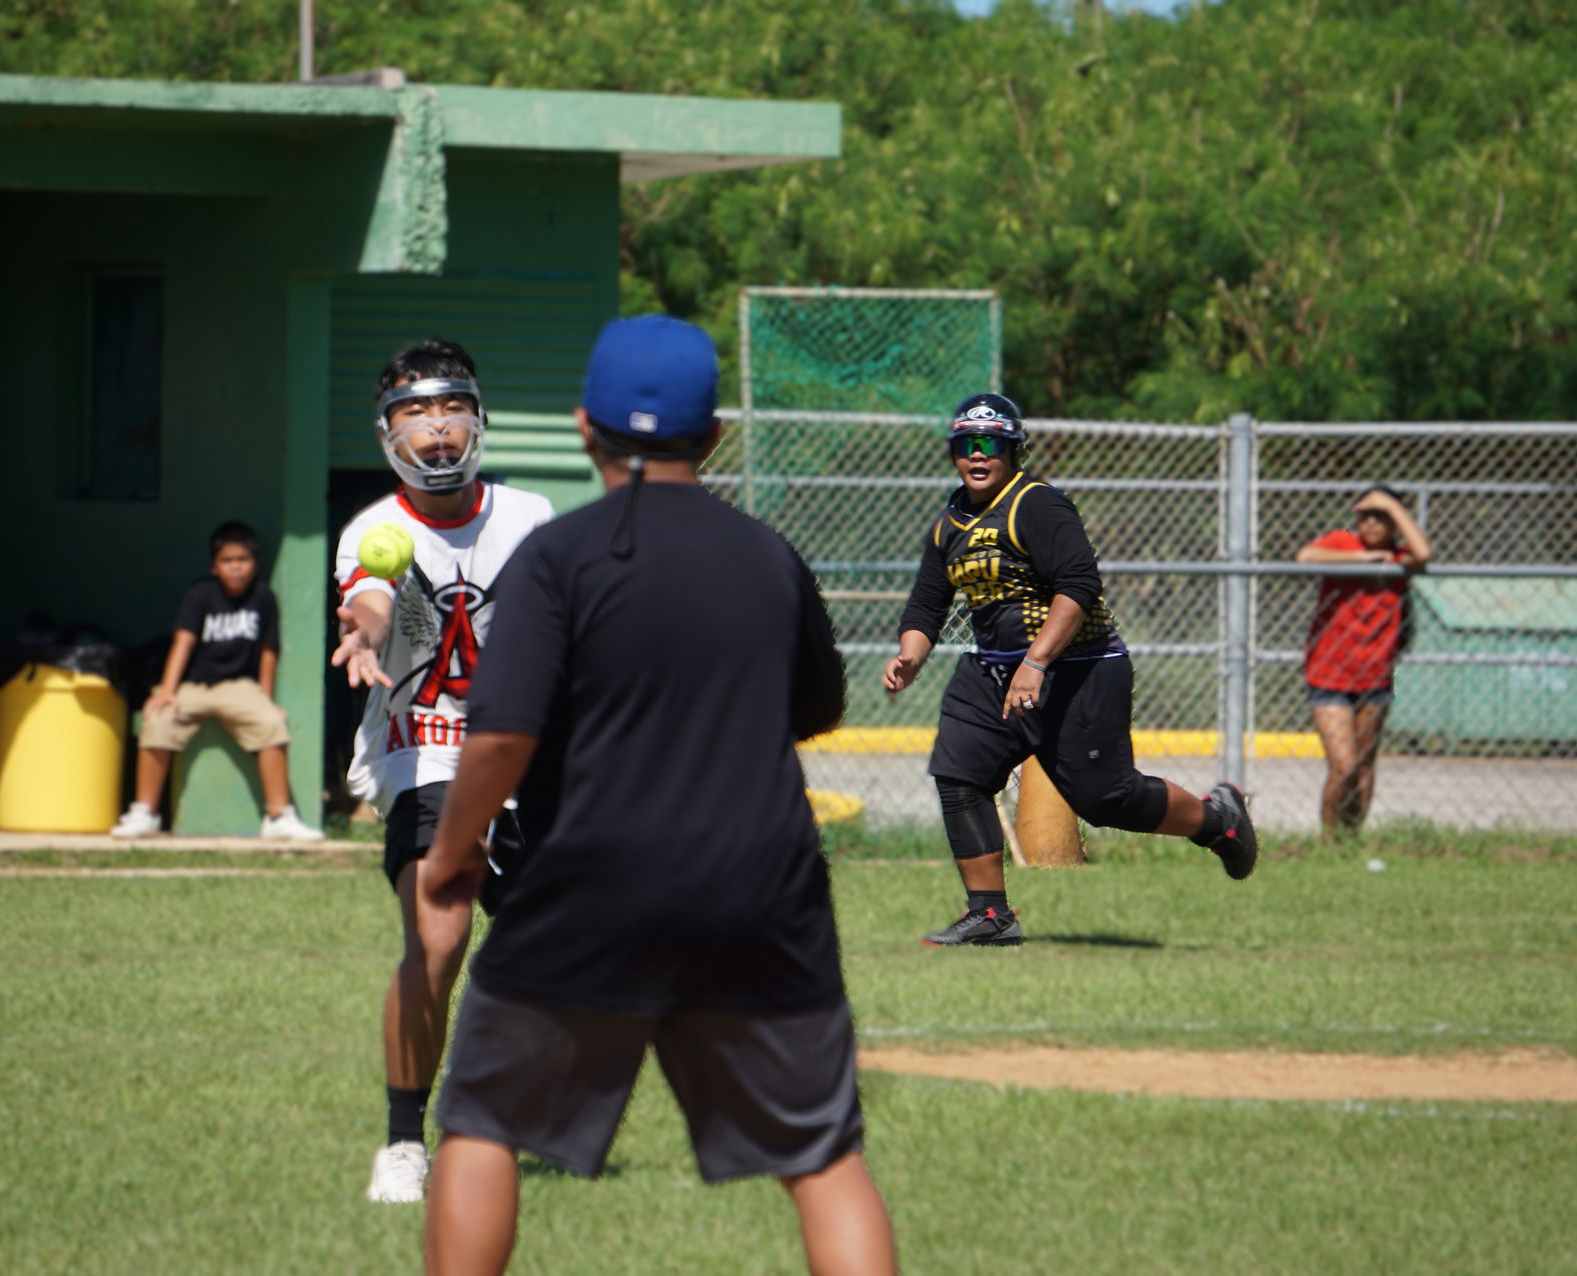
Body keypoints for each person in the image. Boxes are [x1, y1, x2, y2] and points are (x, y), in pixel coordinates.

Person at [417, 316, 896, 1275]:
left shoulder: (558, 558)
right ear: (714, 435)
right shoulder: (769, 558)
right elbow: (814, 709)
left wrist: (450, 851)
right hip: (760, 889)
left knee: (480, 1120)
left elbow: (504, 735)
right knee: (822, 1154)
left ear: (585, 428)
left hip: (588, 887)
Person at [882, 393, 1258, 948]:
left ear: (1013, 449)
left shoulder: (1036, 504)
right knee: (959, 775)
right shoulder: (949, 522)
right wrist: (910, 654)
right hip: (992, 673)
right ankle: (990, 917)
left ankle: (1216, 820)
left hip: (1078, 668)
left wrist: (1036, 662)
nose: (977, 455)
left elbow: (1079, 586)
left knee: (1106, 799)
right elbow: (926, 606)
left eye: (990, 444)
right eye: (966, 445)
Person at [329, 338, 554, 1204]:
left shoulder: (531, 517)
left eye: (450, 408)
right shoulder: (374, 530)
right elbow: (372, 597)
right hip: (421, 752)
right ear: (388, 433)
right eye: (414, 413)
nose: (436, 428)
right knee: (440, 934)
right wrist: (363, 629)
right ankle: (401, 1141)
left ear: (478, 419)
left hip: (524, 754)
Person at [110, 521, 321, 841]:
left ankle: (279, 816)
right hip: (194, 686)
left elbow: (268, 651)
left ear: (256, 563)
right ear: (214, 565)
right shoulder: (201, 593)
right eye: (227, 560)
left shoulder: (263, 595)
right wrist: (167, 690)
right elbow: (183, 642)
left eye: (243, 560)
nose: (235, 568)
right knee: (157, 719)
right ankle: (146, 812)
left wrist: (266, 696)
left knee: (270, 723)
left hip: (238, 687)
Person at [1296, 484, 1432, 840]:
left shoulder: (1399, 556)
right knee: (1345, 765)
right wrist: (1364, 560)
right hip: (1328, 673)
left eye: (1381, 516)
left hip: (1376, 676)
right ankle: (1328, 843)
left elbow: (1423, 553)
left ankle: (1351, 841)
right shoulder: (1343, 543)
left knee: (1365, 767)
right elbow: (1306, 556)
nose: (1371, 523)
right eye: (1365, 515)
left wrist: (1393, 507)